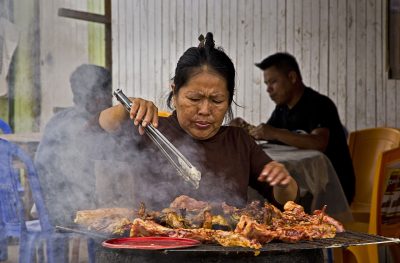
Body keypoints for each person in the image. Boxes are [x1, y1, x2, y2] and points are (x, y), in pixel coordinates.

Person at [98, 33, 298, 210]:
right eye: (194, 99)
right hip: (157, 248)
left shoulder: (239, 142)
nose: (204, 110)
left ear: (229, 99)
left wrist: (284, 183)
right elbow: (102, 126)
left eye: (217, 100)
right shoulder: (151, 129)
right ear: (174, 92)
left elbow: (285, 200)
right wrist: (128, 108)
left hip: (228, 248)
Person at [231, 52, 355, 204]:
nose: (268, 89)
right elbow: (268, 135)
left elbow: (318, 143)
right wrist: (244, 130)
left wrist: (274, 132)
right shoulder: (282, 109)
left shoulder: (320, 104)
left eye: (273, 82)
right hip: (302, 184)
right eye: (266, 84)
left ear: (292, 77)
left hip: (332, 190)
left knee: (271, 199)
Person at [35, 64, 115, 225]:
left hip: (46, 209)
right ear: (99, 97)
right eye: (109, 94)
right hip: (68, 212)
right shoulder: (90, 129)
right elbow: (100, 183)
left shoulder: (58, 119)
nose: (111, 100)